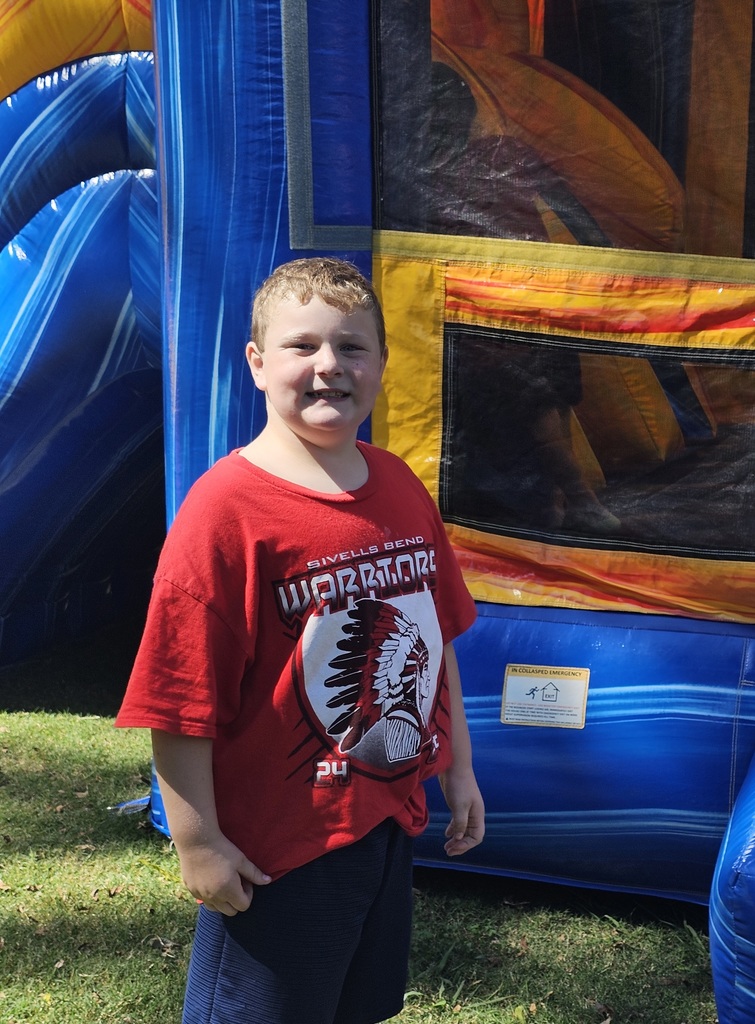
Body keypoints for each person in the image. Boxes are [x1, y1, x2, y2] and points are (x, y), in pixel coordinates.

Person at [115, 257, 485, 1024]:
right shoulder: (225, 511)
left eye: (351, 346)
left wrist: (458, 771)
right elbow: (178, 699)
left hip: (385, 819)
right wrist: (198, 843)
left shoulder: (398, 485)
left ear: (382, 361)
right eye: (301, 345)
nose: (329, 365)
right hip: (276, 852)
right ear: (256, 363)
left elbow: (436, 636)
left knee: (356, 1008)